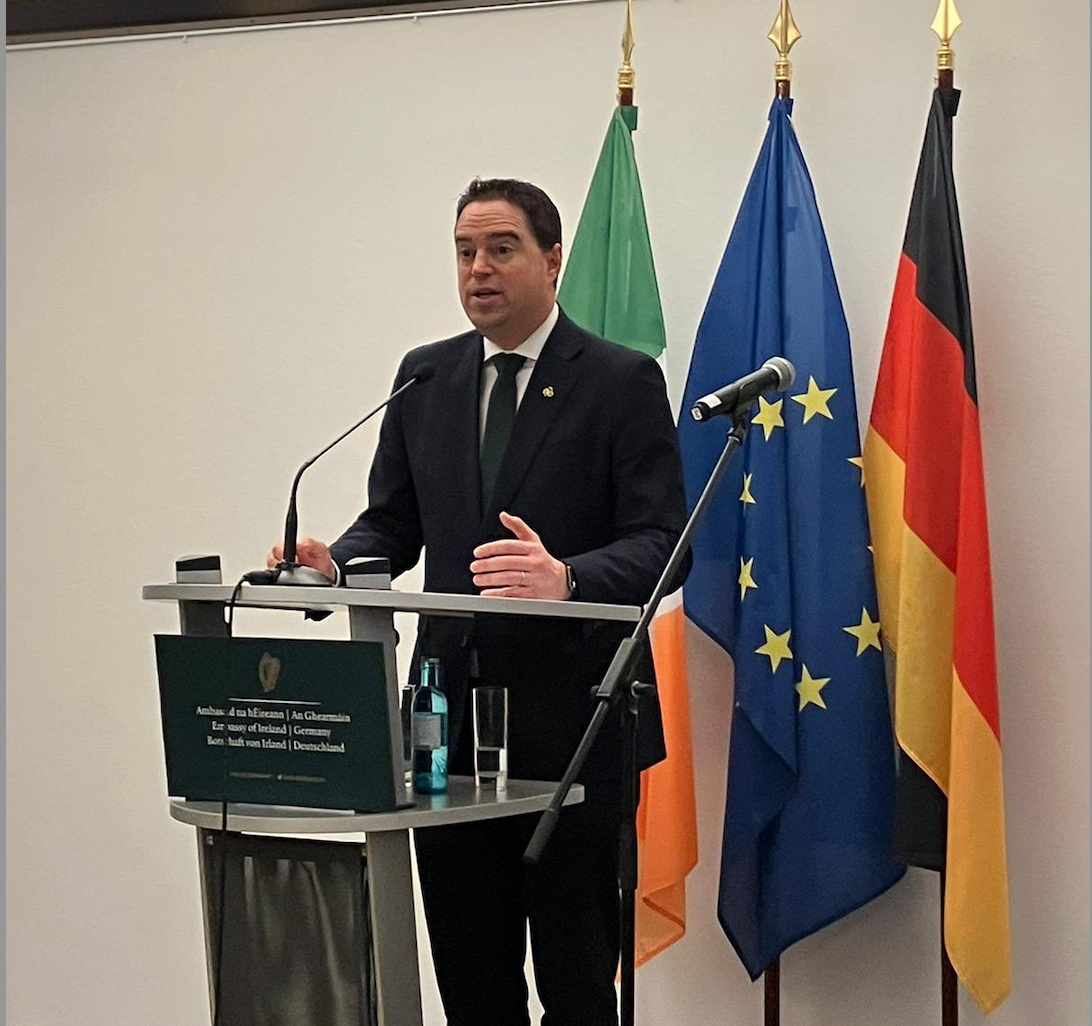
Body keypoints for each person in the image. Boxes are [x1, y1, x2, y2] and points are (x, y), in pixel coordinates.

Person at [269, 178, 687, 1026]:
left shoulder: (620, 381)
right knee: (472, 985)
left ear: (553, 260)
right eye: (464, 252)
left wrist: (567, 578)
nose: (478, 270)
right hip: (446, 734)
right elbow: (393, 523)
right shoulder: (425, 377)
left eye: (501, 249)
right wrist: (334, 565)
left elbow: (665, 543)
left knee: (576, 987)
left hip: (574, 730)